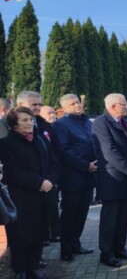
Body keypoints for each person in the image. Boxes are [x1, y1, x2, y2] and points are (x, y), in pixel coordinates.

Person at [0, 107, 56, 279]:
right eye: (24, 120)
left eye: (31, 119)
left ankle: (33, 268)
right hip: (21, 198)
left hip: (43, 196)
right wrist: (39, 182)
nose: (29, 123)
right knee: (21, 237)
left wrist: (50, 181)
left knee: (39, 234)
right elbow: (12, 172)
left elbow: (53, 163)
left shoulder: (39, 140)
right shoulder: (6, 144)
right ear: (14, 124)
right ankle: (20, 271)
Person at [92, 93, 127, 268]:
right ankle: (106, 253)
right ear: (113, 106)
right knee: (110, 219)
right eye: (124, 104)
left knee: (122, 217)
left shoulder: (124, 123)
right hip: (112, 179)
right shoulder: (101, 123)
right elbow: (108, 151)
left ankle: (119, 248)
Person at [52, 94, 96, 262]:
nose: (78, 105)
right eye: (73, 103)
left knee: (82, 213)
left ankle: (76, 244)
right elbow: (64, 151)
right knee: (69, 214)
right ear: (64, 108)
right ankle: (66, 249)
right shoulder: (60, 125)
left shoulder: (86, 122)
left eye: (78, 102)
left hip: (89, 176)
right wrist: (85, 165)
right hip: (72, 177)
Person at [17, 91, 60, 244]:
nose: (37, 108)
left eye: (39, 104)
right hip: (28, 185)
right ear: (21, 106)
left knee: (46, 218)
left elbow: (54, 152)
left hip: (47, 182)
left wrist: (52, 178)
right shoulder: (11, 129)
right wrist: (37, 181)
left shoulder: (43, 124)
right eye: (33, 104)